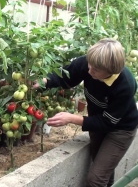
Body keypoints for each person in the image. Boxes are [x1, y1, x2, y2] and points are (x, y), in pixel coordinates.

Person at [33, 38, 138, 187]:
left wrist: (71, 118)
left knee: (96, 179)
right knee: (103, 172)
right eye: (90, 64)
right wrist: (44, 81)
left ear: (110, 70)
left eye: (95, 70)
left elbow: (107, 122)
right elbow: (66, 76)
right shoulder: (90, 63)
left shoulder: (125, 85)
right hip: (97, 122)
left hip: (120, 130)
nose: (89, 70)